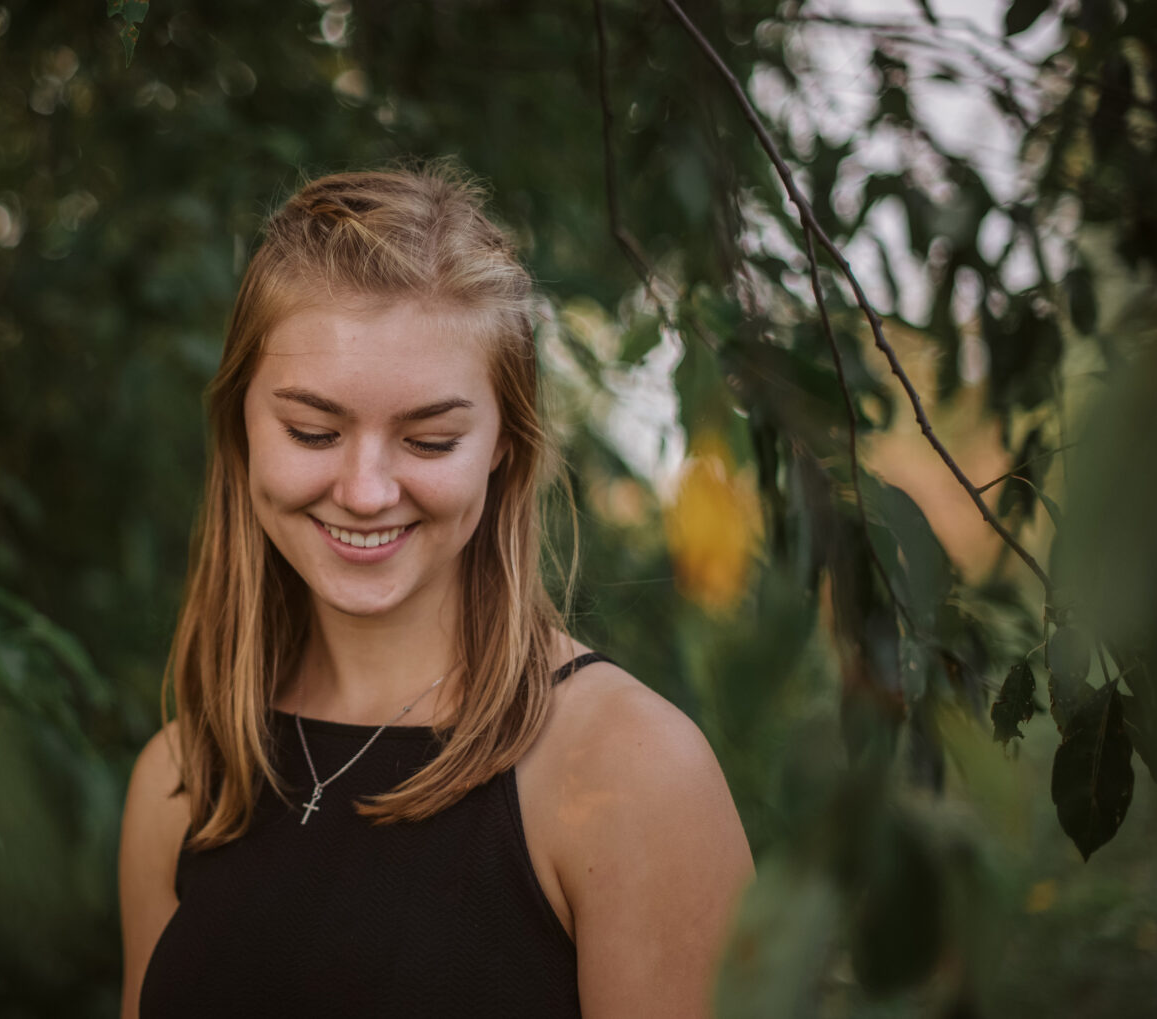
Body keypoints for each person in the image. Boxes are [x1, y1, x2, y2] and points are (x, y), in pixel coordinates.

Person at [117, 164, 755, 1018]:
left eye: (429, 439)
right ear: (242, 423)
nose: (368, 489)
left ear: (501, 444)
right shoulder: (182, 778)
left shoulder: (632, 772)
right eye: (313, 430)